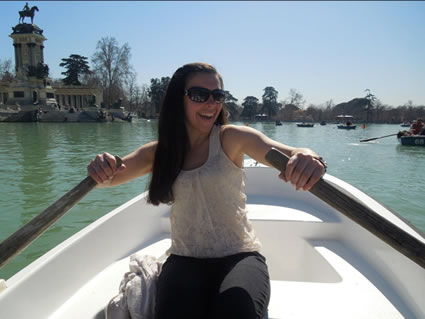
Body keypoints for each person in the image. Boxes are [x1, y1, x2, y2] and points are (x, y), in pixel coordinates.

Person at [87, 62, 326, 319]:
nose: (211, 103)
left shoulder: (232, 138)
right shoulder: (159, 153)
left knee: (237, 312)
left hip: (240, 255)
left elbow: (292, 152)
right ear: (180, 99)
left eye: (218, 96)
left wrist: (309, 158)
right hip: (184, 257)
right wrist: (102, 166)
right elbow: (109, 178)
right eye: (200, 95)